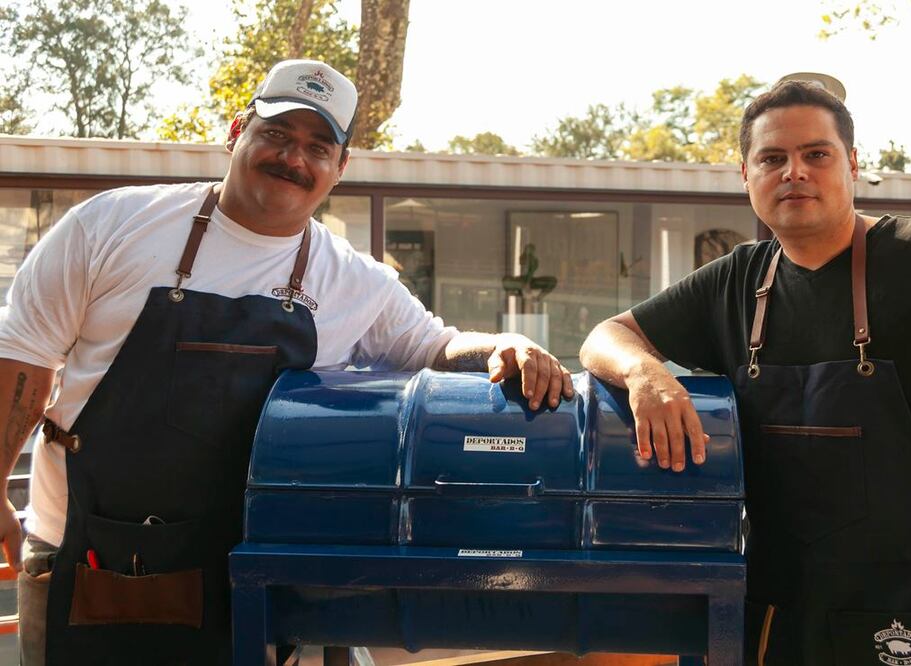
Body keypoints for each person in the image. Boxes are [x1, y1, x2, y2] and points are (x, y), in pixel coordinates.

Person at [0, 59, 574, 666]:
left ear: (340, 167)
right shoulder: (111, 225)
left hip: (257, 576)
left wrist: (507, 344)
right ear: (236, 129)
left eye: (317, 146)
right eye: (276, 134)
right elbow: (24, 361)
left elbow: (435, 346)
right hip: (89, 563)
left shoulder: (355, 281)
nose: (293, 158)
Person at [579, 80, 911, 666]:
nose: (794, 172)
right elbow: (606, 337)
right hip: (780, 616)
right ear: (746, 174)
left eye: (816, 155)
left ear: (852, 164)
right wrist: (645, 375)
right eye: (772, 158)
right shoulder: (734, 281)